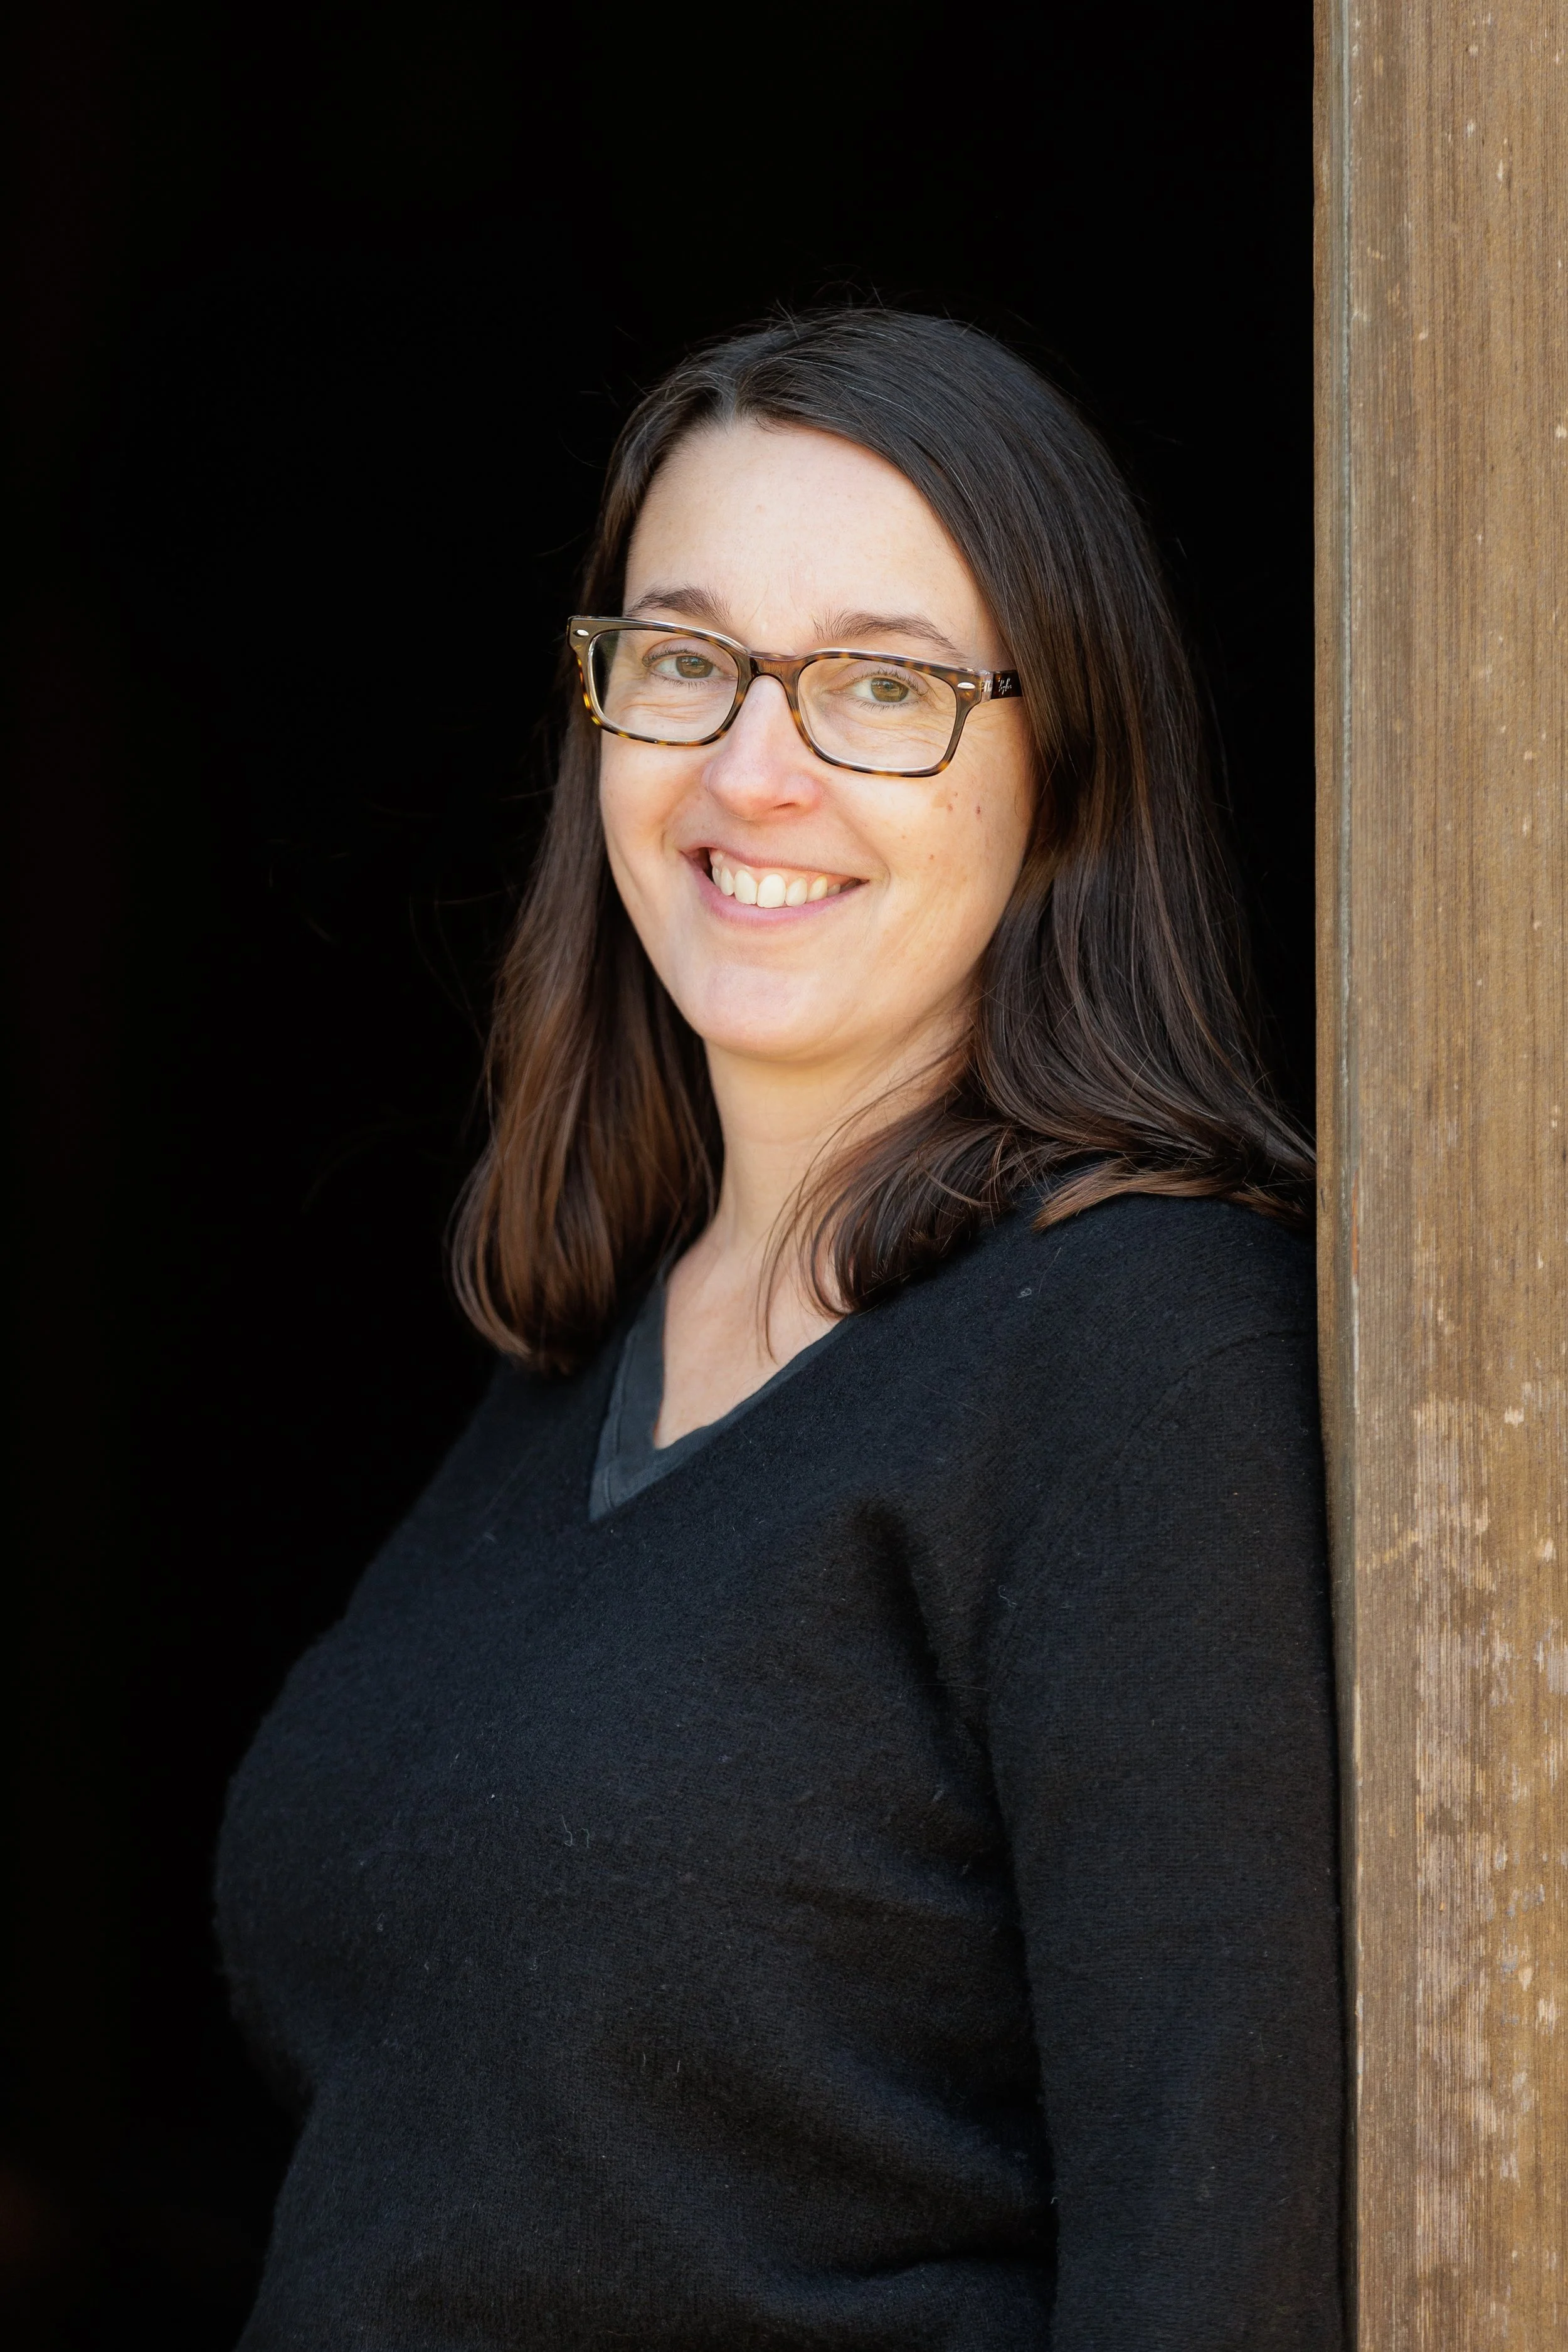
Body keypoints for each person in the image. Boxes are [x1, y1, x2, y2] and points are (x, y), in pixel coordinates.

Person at [216, 308, 1343, 2349]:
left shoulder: (1143, 1357)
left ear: (1062, 765)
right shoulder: (582, 1361)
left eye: (881, 686)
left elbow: (1228, 2243)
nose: (755, 767)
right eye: (682, 659)